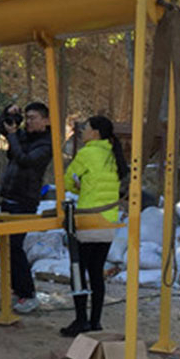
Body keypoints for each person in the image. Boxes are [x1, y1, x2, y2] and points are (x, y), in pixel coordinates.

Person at [60, 115, 128, 337]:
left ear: (95, 133)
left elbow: (68, 180)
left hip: (89, 220)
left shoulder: (87, 153)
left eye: (85, 127)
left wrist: (81, 190)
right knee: (96, 273)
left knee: (78, 270)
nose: (82, 131)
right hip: (108, 222)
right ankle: (95, 321)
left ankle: (81, 320)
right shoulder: (113, 154)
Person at [0, 101, 53, 314]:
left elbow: (24, 159)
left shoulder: (46, 145)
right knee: (8, 246)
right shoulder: (24, 137)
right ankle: (18, 290)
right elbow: (2, 128)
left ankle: (28, 293)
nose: (28, 122)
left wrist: (13, 136)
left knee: (15, 245)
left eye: (33, 118)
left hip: (24, 201)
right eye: (27, 118)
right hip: (10, 197)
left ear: (46, 120)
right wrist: (8, 114)